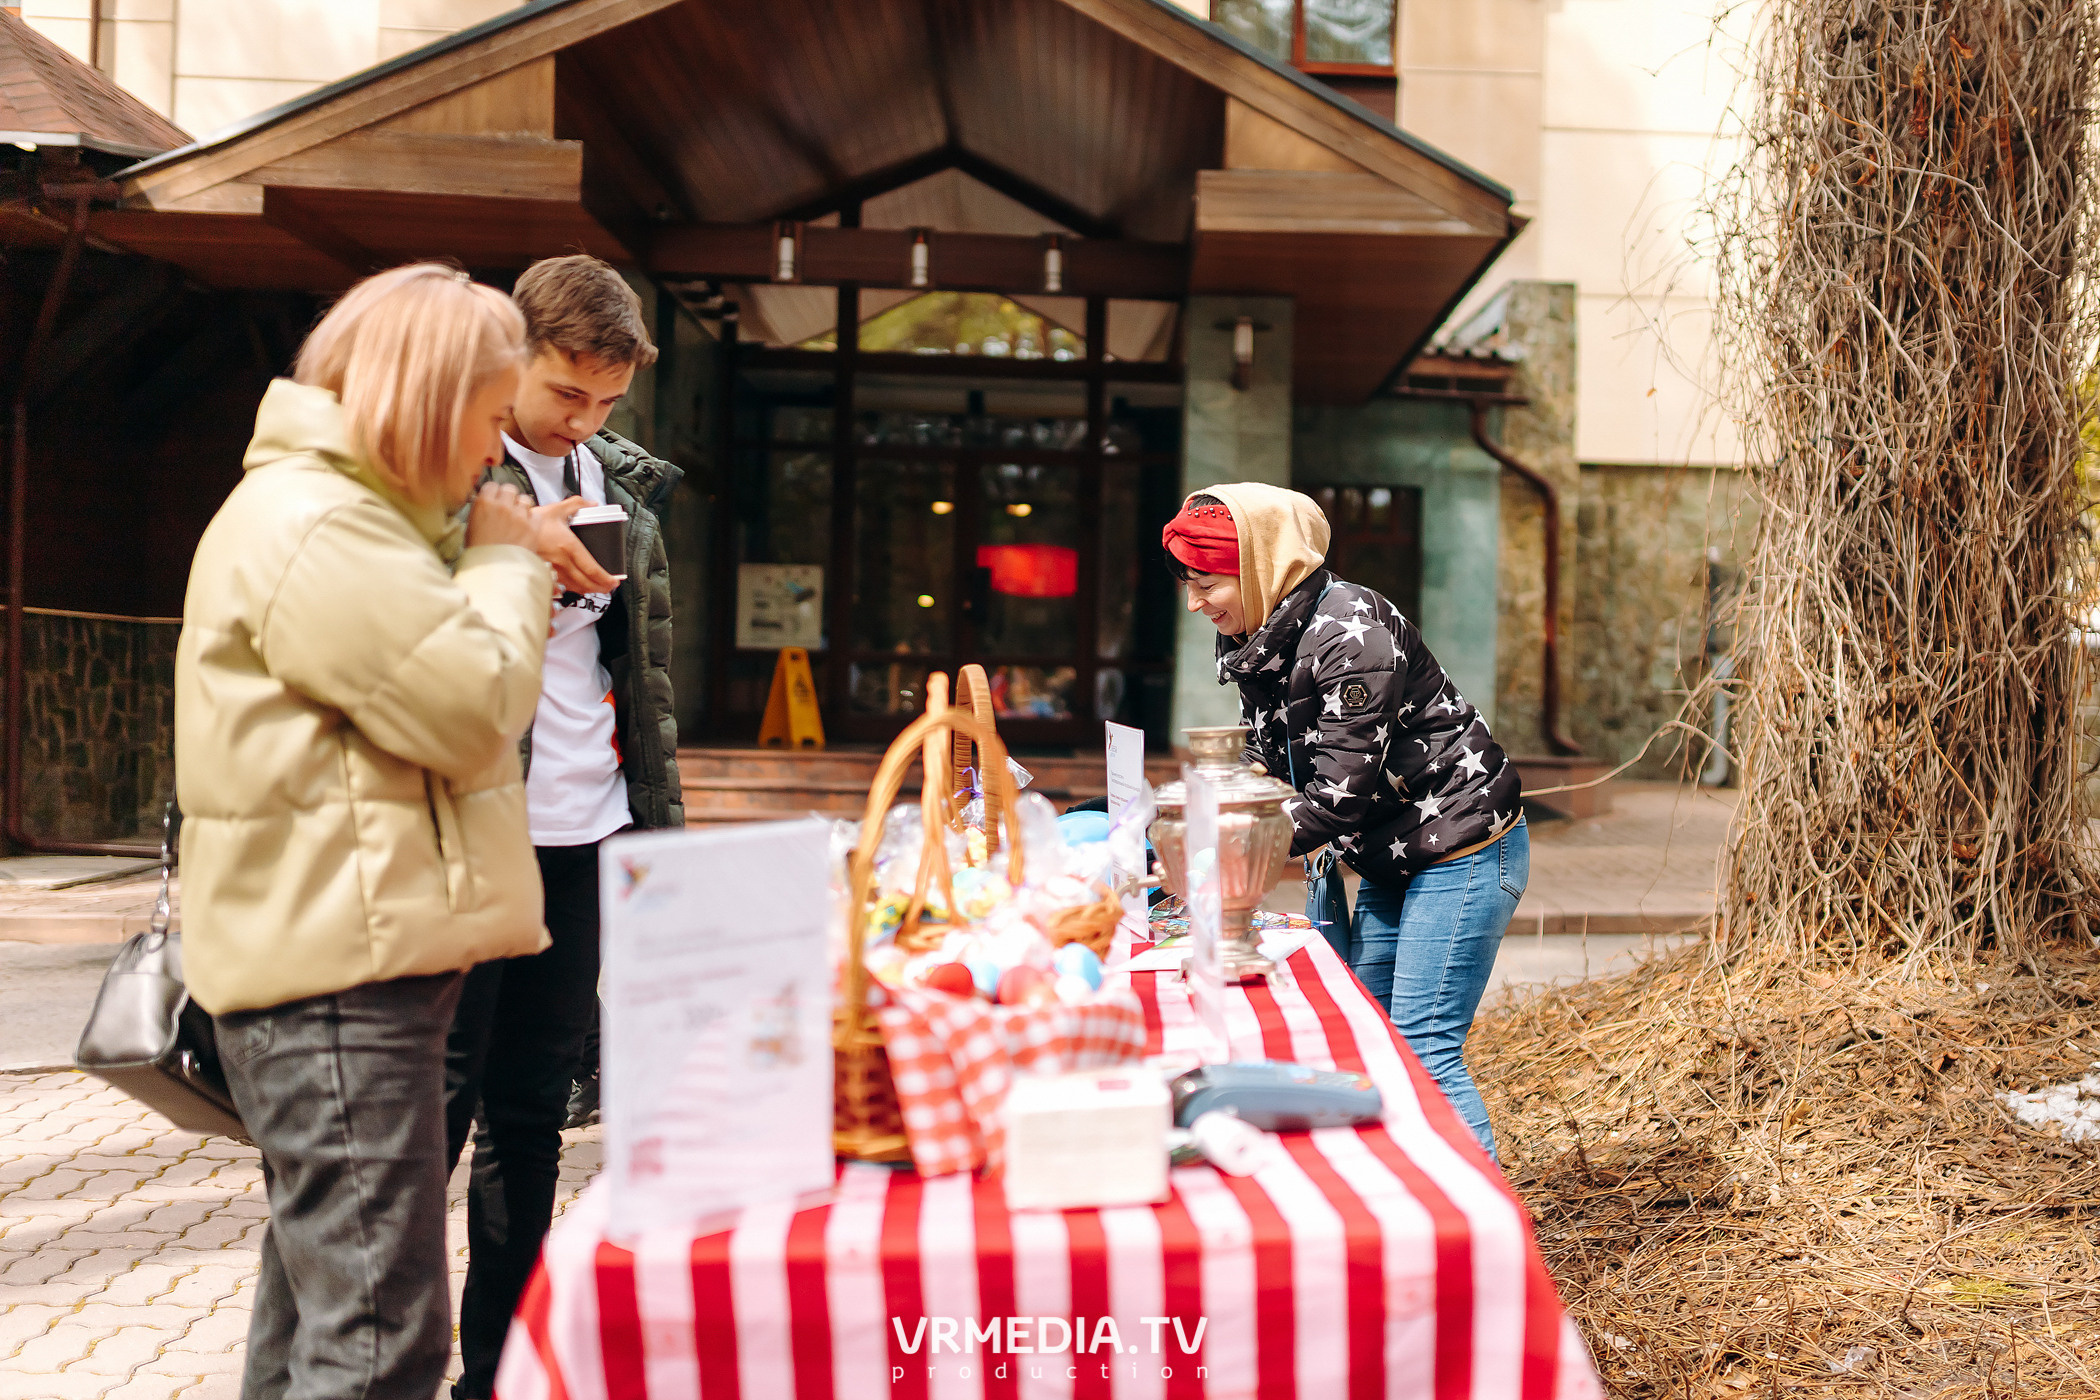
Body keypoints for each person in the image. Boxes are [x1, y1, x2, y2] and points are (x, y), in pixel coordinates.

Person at [175, 262, 613, 1400]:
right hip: (335, 980)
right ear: (426, 400)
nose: (488, 453)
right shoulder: (319, 525)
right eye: (483, 419)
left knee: (318, 1319)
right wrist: (506, 562)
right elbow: (469, 708)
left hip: (341, 961)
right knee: (380, 1342)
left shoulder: (347, 514)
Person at [440, 254, 684, 1400]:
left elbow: (650, 686)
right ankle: (377, 1357)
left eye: (605, 400)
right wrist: (508, 545)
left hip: (588, 831)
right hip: (466, 833)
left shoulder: (627, 489)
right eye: (563, 393)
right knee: (429, 1109)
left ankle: (498, 1365)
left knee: (535, 1108)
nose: (582, 418)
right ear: (512, 364)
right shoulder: (449, 473)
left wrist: (657, 838)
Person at [1162, 483, 1527, 1159]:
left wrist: (1211, 858)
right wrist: (1190, 818)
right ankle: (1416, 1194)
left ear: (1261, 566)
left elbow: (1336, 796)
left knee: (1422, 1046)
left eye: (1208, 584)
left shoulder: (1349, 631)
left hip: (1463, 848)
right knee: (1375, 1040)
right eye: (1189, 585)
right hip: (1394, 854)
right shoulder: (1259, 633)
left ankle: (1487, 1223)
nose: (1195, 603)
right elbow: (1262, 757)